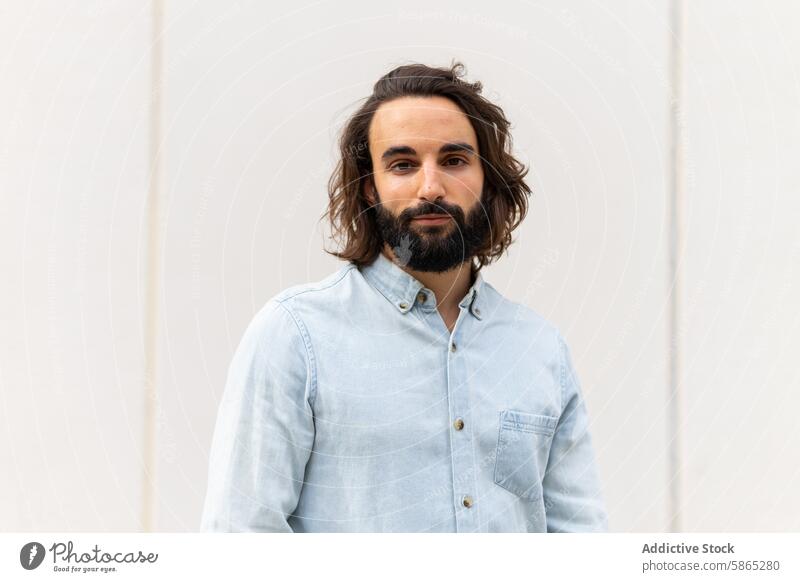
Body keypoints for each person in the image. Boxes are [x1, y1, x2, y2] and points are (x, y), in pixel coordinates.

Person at [200, 61, 608, 532]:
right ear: (370, 187)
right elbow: (241, 535)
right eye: (403, 165)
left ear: (487, 179)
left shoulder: (540, 350)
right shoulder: (296, 336)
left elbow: (581, 541)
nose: (430, 187)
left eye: (454, 161)